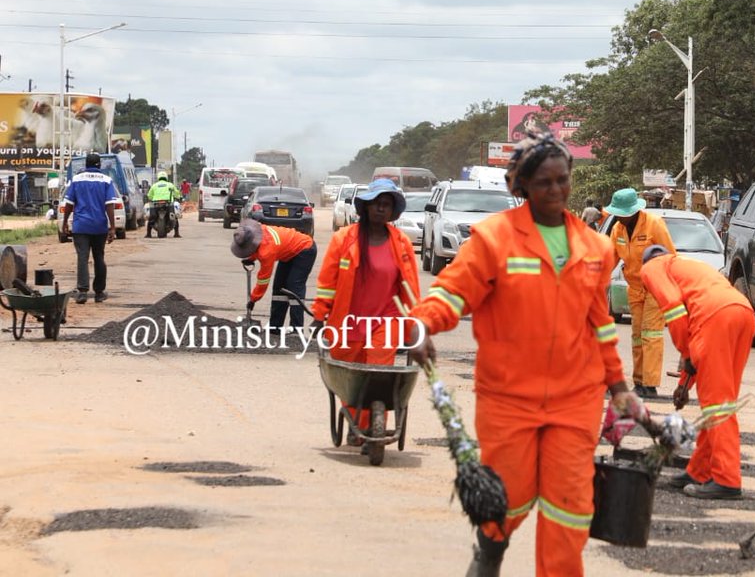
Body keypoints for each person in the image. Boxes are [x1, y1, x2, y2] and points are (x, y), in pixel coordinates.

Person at [405, 133, 645, 577]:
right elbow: (454, 293)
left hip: (576, 401)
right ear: (521, 188)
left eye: (563, 180)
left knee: (569, 511)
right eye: (543, 183)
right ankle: (490, 550)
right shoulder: (494, 239)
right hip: (508, 399)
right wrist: (423, 322)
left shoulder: (595, 248)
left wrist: (619, 388)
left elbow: (600, 326)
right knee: (505, 501)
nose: (555, 191)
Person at [640, 244, 754, 499]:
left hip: (716, 318)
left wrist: (688, 355)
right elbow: (693, 331)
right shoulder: (687, 269)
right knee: (719, 400)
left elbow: (675, 312)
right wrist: (685, 384)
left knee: (717, 405)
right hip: (742, 313)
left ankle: (727, 479)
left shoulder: (652, 268)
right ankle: (699, 471)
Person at [311, 179, 418, 439]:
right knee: (351, 376)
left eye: (386, 205)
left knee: (379, 374)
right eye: (377, 204)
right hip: (347, 319)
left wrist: (416, 324)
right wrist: (319, 314)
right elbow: (328, 282)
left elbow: (411, 288)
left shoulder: (401, 243)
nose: (381, 209)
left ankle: (370, 426)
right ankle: (356, 421)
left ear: (392, 211)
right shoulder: (343, 240)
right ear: (366, 207)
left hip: (386, 320)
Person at [605, 186, 676, 397]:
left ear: (634, 211)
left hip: (655, 287)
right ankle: (639, 382)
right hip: (635, 288)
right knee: (637, 335)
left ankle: (650, 384)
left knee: (651, 335)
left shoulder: (654, 224)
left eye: (622, 214)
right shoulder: (618, 230)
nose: (619, 217)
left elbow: (670, 255)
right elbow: (610, 259)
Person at [231, 218, 317, 332]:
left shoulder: (267, 252)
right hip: (288, 253)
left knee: (294, 286)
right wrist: (251, 258)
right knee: (279, 287)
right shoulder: (259, 231)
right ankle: (275, 326)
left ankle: (296, 328)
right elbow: (258, 246)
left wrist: (253, 299)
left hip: (305, 249)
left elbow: (263, 280)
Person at [60, 151, 118, 304]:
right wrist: (112, 227)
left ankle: (82, 292)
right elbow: (109, 205)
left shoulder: (77, 179)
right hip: (99, 226)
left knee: (82, 258)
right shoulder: (106, 180)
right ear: (99, 165)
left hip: (81, 226)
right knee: (99, 257)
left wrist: (65, 221)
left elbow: (69, 204)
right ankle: (99, 293)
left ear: (86, 165)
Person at [145, 171, 182, 238]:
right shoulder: (170, 185)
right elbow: (177, 194)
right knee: (175, 218)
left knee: (151, 219)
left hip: (156, 204)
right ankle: (176, 233)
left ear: (158, 178)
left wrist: (152, 198)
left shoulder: (154, 185)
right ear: (166, 178)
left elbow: (149, 196)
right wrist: (179, 197)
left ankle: (148, 234)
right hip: (168, 203)